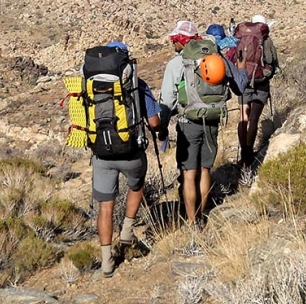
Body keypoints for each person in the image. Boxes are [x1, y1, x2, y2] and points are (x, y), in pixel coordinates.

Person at [159, 21, 247, 227]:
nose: (173, 44)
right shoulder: (216, 57)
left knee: (189, 173)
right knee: (205, 170)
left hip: (187, 122)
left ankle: (191, 222)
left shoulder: (177, 63)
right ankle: (201, 216)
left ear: (181, 41)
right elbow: (240, 87)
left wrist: (162, 128)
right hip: (213, 119)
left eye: (174, 40)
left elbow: (167, 101)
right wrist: (241, 69)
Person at [90, 41, 161, 278]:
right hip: (130, 150)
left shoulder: (90, 86)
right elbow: (154, 123)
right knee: (137, 185)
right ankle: (128, 231)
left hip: (101, 154)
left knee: (105, 208)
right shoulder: (135, 84)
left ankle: (106, 261)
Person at [235, 15, 278, 176]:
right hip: (261, 83)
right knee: (253, 119)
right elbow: (272, 60)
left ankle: (243, 155)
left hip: (243, 81)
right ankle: (248, 154)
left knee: (243, 118)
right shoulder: (266, 40)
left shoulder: (242, 38)